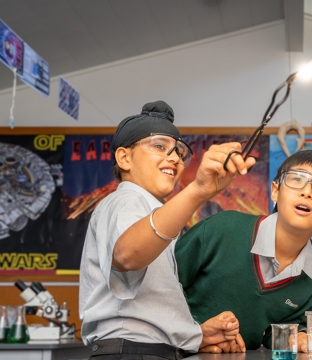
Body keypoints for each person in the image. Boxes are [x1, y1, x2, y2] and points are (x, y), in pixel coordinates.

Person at [79, 100, 254, 358]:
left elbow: (153, 307)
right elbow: (128, 255)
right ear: (124, 158)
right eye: (159, 146)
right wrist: (198, 191)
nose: (174, 157)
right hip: (130, 351)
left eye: (178, 152)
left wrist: (198, 335)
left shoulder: (156, 214)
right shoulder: (128, 199)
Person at [175, 150, 312, 352]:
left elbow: (279, 331)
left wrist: (296, 339)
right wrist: (195, 335)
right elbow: (160, 288)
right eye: (296, 180)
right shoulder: (223, 228)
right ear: (275, 191)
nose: (307, 192)